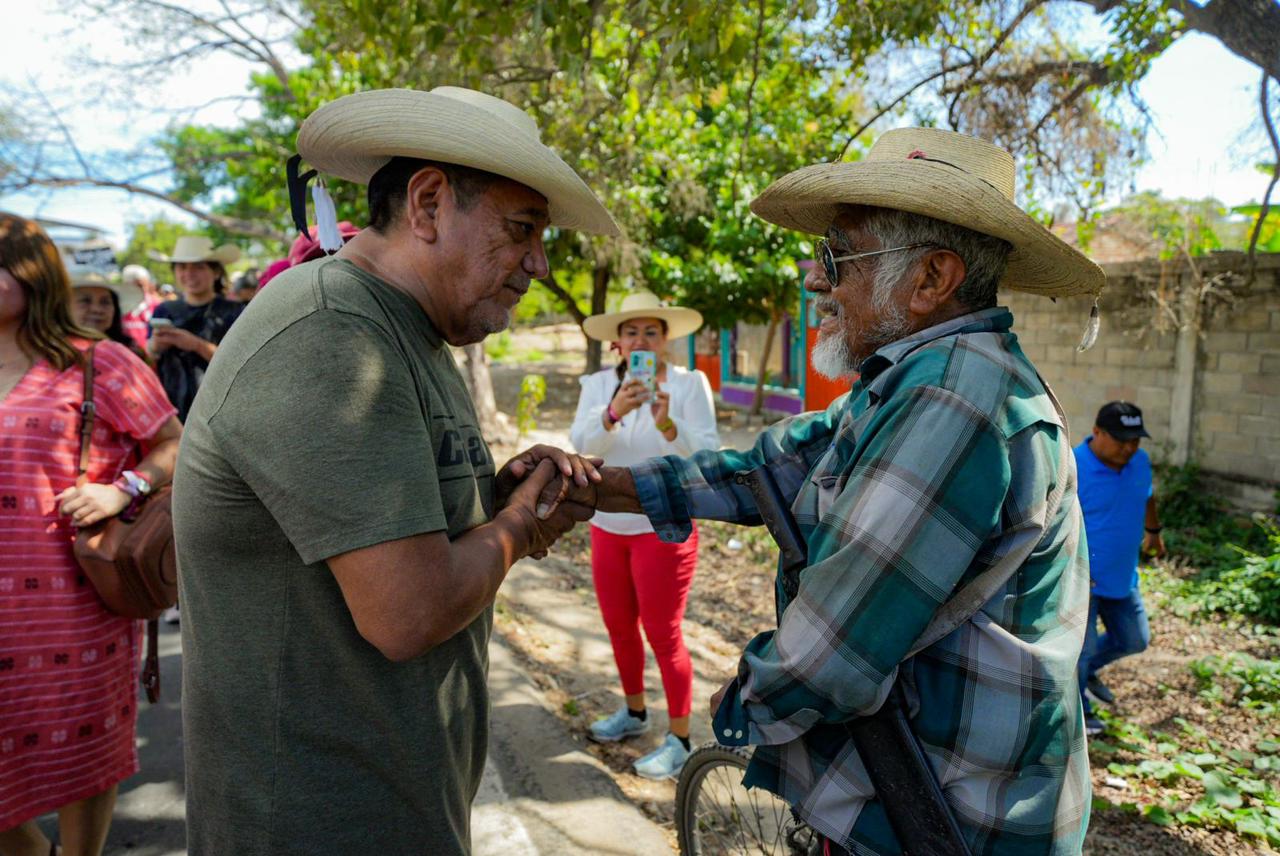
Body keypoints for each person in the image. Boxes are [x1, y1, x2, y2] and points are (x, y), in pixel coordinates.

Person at [536, 128, 1105, 855]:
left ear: (931, 280)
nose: (817, 281)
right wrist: (594, 486)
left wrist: (745, 695)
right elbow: (767, 471)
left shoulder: (956, 399)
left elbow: (833, 651)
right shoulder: (912, 383)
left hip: (954, 817)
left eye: (838, 257)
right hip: (914, 792)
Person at [173, 86, 618, 856]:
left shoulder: (408, 333)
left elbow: (407, 524)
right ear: (429, 202)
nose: (539, 265)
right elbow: (406, 611)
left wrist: (503, 503)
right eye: (522, 231)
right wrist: (514, 526)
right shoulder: (334, 335)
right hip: (312, 826)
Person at [0, 212, 182, 856]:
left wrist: (121, 489)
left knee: (84, 743)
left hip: (73, 600)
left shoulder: (97, 362)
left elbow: (173, 444)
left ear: (32, 273)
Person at [570, 289, 719, 779]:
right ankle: (634, 713)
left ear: (665, 340)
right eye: (631, 331)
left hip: (665, 525)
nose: (641, 339)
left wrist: (668, 421)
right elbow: (580, 446)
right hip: (608, 525)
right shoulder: (596, 386)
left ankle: (679, 740)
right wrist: (612, 412)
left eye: (650, 331)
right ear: (617, 343)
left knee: (663, 631)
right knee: (618, 625)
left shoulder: (689, 383)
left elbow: (708, 458)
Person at [1075, 401, 1164, 736]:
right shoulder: (1071, 465)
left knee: (1134, 639)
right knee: (1080, 650)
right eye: (1121, 438)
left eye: (1135, 440)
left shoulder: (1139, 462)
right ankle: (1080, 713)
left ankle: (1088, 671)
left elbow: (1147, 495)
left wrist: (1154, 532)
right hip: (1081, 580)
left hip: (1122, 578)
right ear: (1097, 432)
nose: (1129, 447)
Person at [147, 236, 245, 421]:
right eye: (182, 267)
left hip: (220, 406)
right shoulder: (164, 310)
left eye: (199, 267)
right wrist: (155, 346)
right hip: (172, 404)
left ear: (216, 272)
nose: (189, 273)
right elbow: (148, 355)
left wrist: (196, 345)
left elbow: (241, 362)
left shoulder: (234, 312)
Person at [68, 271, 149, 362]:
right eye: (85, 301)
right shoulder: (54, 355)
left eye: (105, 302)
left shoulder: (129, 355)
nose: (97, 309)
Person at [118, 265, 162, 351]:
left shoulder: (156, 305)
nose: (140, 290)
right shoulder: (117, 306)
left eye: (143, 285)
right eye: (136, 286)